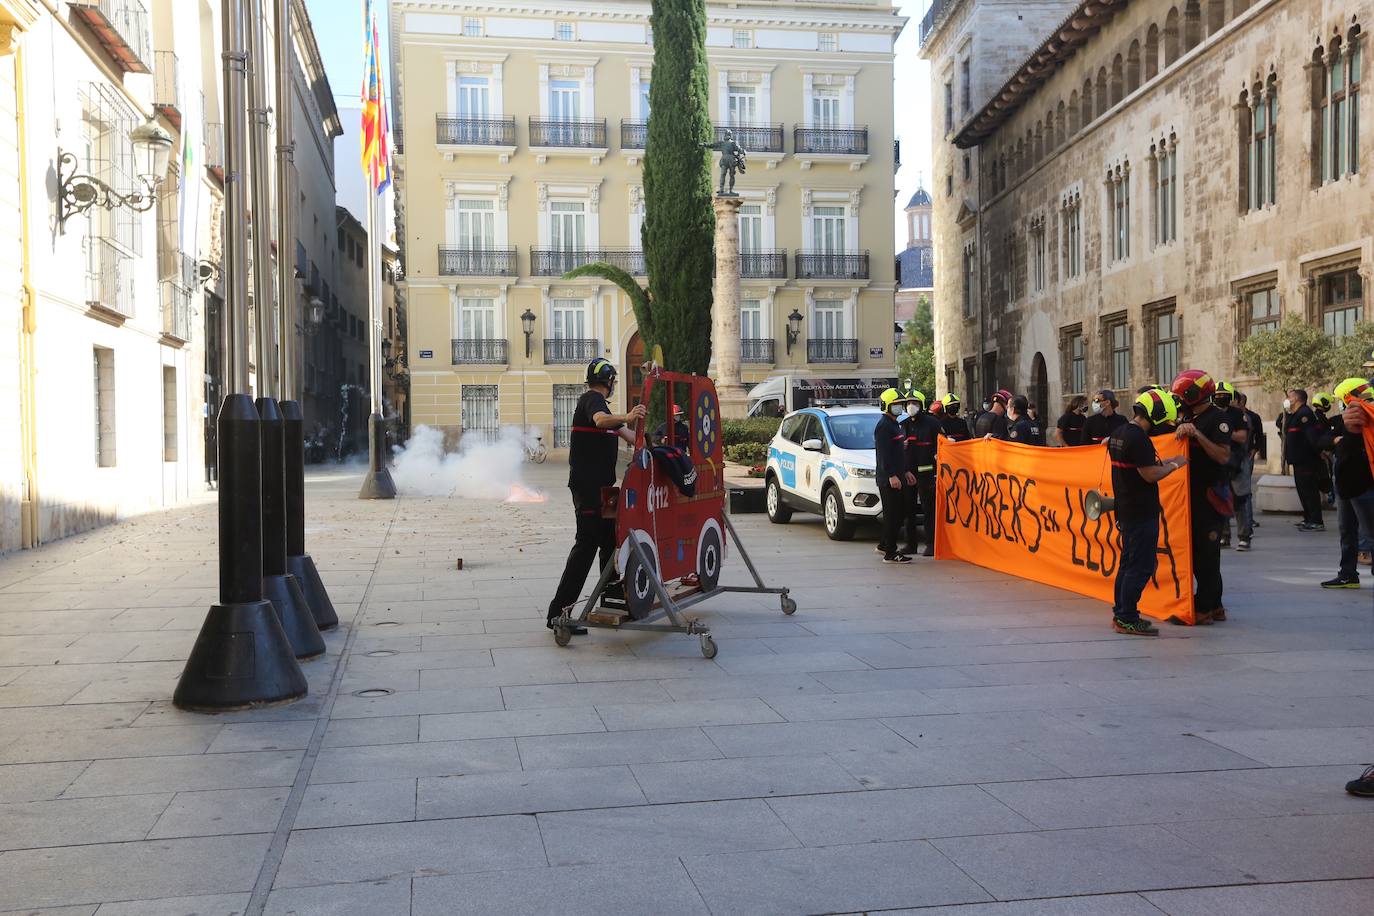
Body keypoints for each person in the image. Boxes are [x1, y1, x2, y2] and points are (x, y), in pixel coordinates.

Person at [546, 359, 646, 634]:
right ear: (610, 382)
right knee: (586, 546)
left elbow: (630, 436)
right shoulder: (592, 401)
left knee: (611, 542)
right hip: (588, 489)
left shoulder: (606, 411)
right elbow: (602, 421)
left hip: (603, 490)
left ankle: (612, 603)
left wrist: (652, 442)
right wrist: (627, 416)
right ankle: (559, 614)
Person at [1106, 389, 1187, 636]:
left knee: (1127, 563)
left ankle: (1120, 611)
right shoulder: (1139, 439)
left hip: (1126, 508)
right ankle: (1128, 617)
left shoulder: (1119, 433)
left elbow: (1138, 466)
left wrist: (1161, 462)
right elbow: (1148, 474)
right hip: (1141, 511)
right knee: (1140, 566)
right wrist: (1174, 465)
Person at [1172, 369, 1235, 625]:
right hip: (1191, 495)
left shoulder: (1217, 419)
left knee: (1207, 554)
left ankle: (1205, 607)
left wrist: (1196, 435)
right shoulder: (1188, 416)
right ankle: (1217, 605)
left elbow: (1223, 455)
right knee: (1198, 552)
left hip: (1210, 495)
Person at [1320, 378, 1374, 589]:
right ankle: (1348, 573)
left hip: (1364, 486)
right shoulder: (1339, 420)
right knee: (1347, 531)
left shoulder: (1367, 418)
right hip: (1344, 486)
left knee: (1371, 533)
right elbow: (1321, 440)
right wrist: (1337, 440)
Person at [901, 387, 942, 557]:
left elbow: (943, 444)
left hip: (927, 474)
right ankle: (910, 544)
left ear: (921, 405)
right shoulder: (903, 425)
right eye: (909, 403)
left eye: (915, 403)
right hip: (909, 475)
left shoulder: (932, 423)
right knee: (908, 510)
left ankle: (931, 544)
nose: (911, 406)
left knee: (929, 510)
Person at [875, 387, 912, 564]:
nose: (899, 407)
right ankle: (890, 552)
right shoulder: (883, 426)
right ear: (887, 406)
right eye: (895, 404)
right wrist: (891, 475)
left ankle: (884, 544)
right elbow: (884, 454)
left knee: (899, 512)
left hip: (898, 475)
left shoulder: (895, 424)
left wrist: (905, 471)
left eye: (900, 404)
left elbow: (898, 453)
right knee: (893, 514)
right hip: (889, 479)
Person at [1212, 382, 1249, 549]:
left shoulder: (1237, 414)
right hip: (1218, 463)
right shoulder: (1210, 414)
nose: (1220, 398)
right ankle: (1224, 535)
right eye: (1217, 395)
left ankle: (1244, 537)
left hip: (1237, 462)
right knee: (1221, 499)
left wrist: (1225, 433)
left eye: (1224, 395)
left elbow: (1242, 437)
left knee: (1240, 500)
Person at [1284, 388, 1326, 531]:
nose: (1287, 400)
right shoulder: (1296, 414)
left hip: (1306, 460)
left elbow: (1312, 438)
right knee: (1303, 491)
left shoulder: (1305, 414)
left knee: (1310, 491)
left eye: (1290, 397)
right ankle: (1308, 518)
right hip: (1298, 460)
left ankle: (1316, 521)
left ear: (1296, 398)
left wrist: (1317, 454)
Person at [1233, 391, 1266, 550]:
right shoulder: (1221, 415)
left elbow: (1256, 436)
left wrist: (1253, 452)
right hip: (1227, 462)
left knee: (1243, 495)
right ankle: (1226, 535)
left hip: (1243, 459)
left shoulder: (1248, 417)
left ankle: (1246, 531)